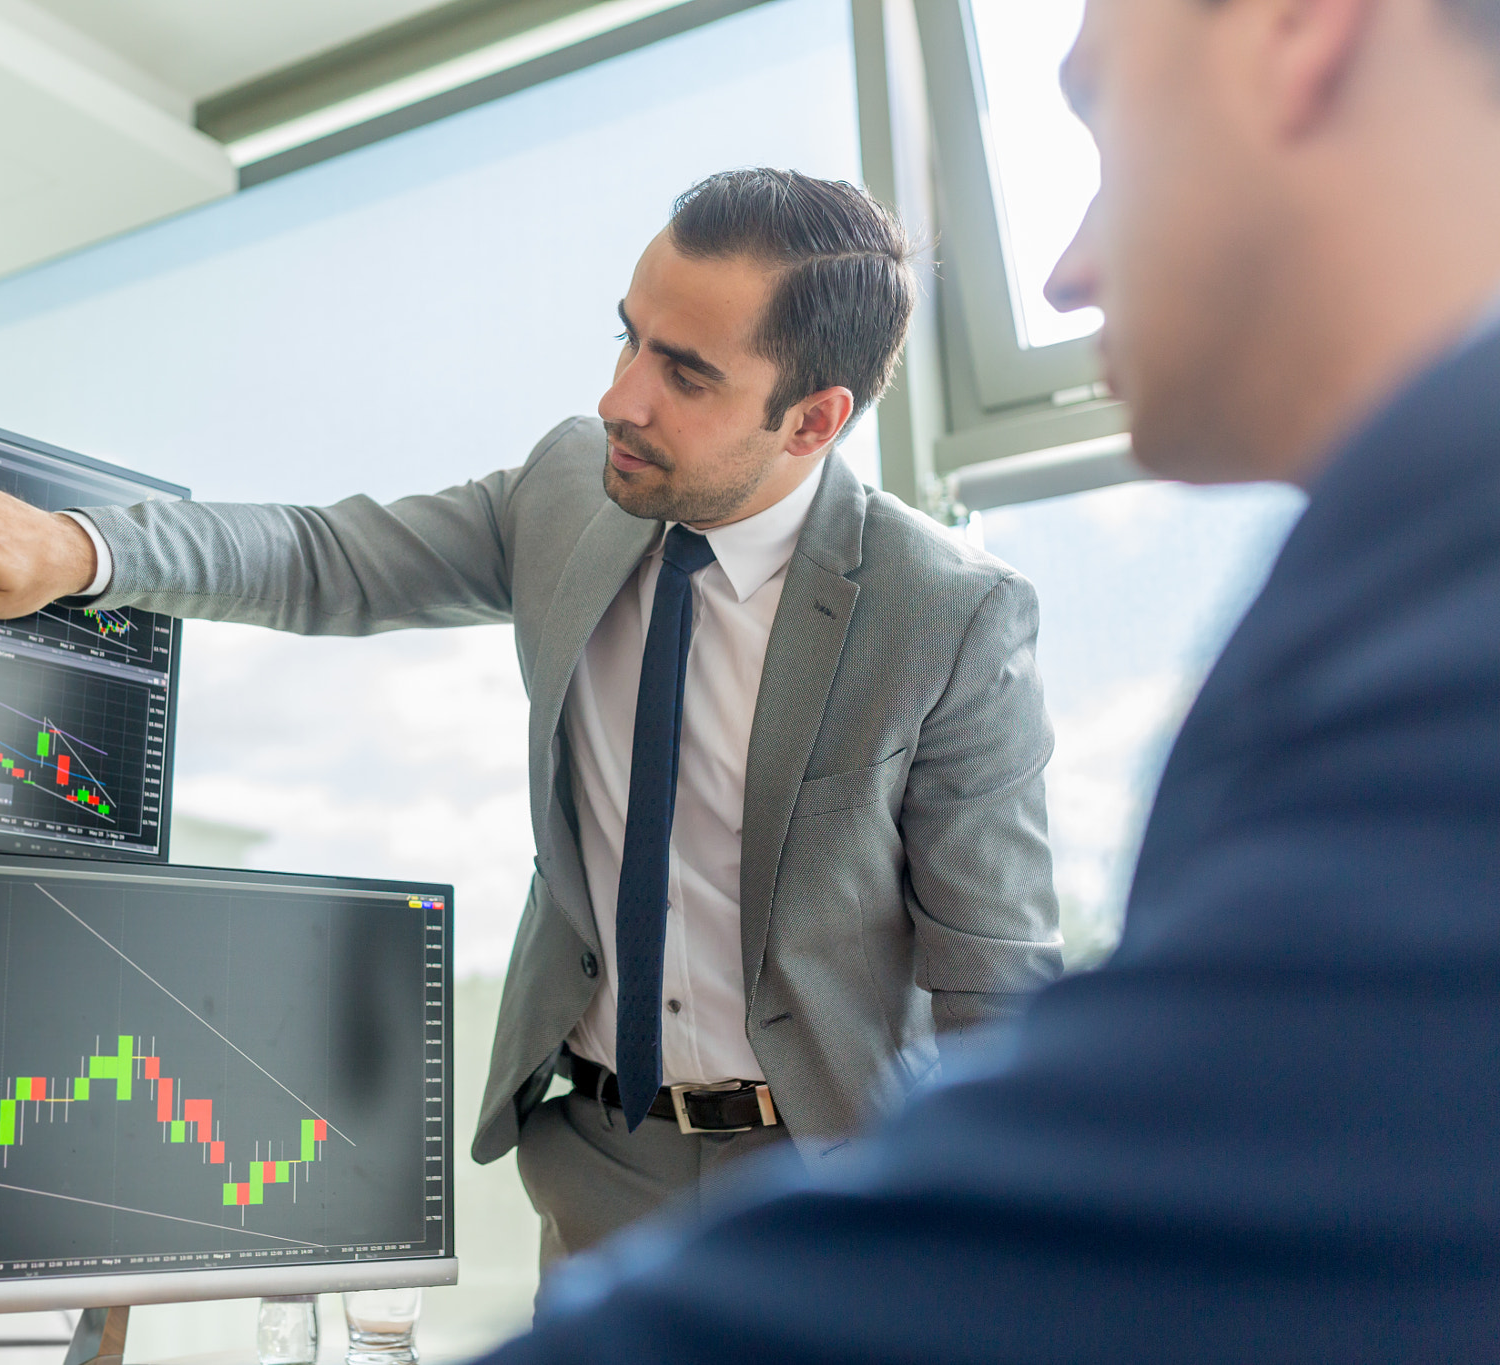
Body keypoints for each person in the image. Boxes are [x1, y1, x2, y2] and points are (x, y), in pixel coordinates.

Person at [442, 0, 1498, 1357]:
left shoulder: (1445, 589)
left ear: (1301, 34)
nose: (1065, 272)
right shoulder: (1397, 557)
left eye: (1103, 134)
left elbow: (1147, 1180)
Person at [0, 170, 1062, 1266]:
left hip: (832, 1171)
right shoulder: (570, 490)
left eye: (684, 374)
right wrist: (80, 548)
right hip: (600, 1156)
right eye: (629, 338)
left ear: (812, 420)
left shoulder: (945, 613)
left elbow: (989, 978)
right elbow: (323, 556)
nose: (619, 398)